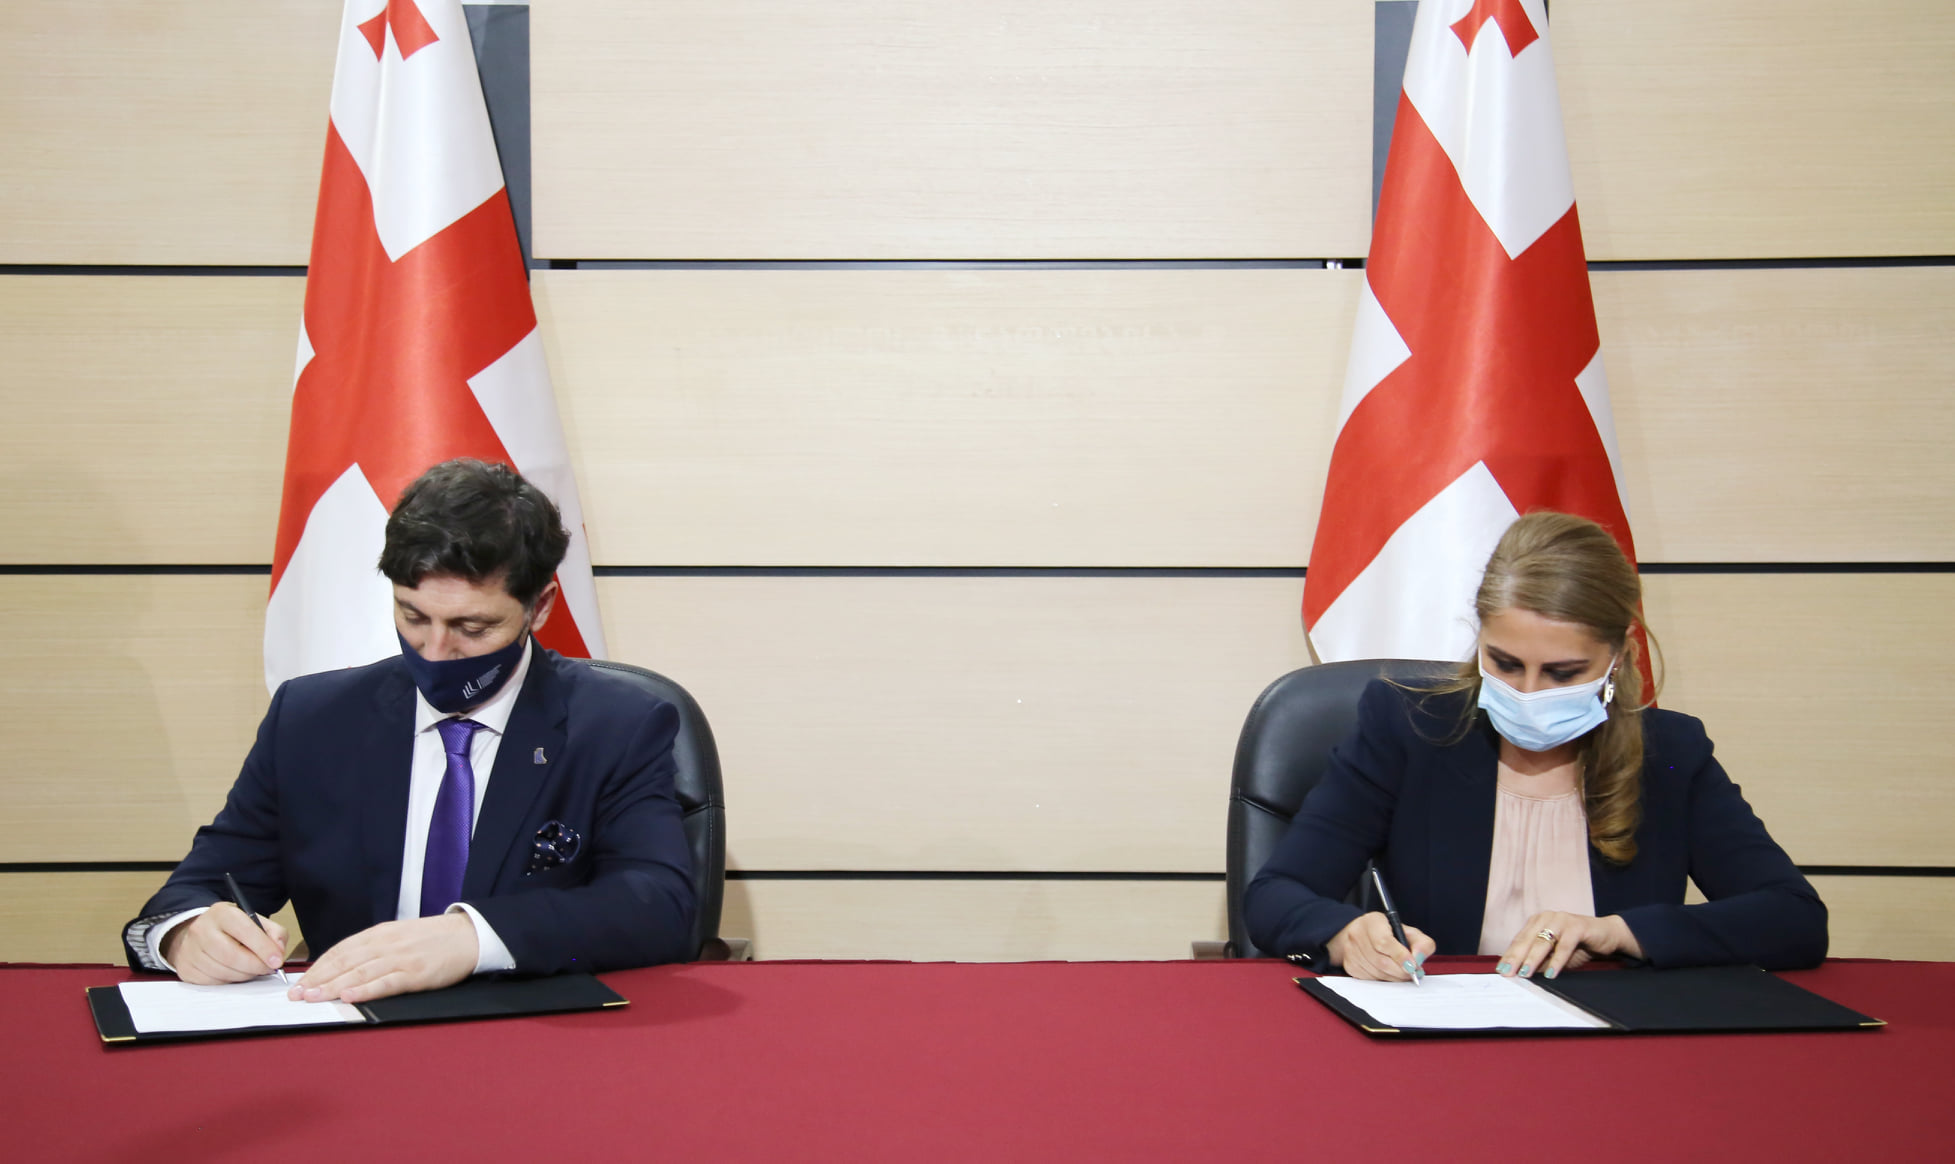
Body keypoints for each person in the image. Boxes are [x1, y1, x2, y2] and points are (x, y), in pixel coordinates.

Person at [122, 459, 696, 1003]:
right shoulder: (312, 720)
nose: (436, 651)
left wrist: (472, 938)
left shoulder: (617, 725)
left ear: (539, 606)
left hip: (531, 1035)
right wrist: (187, 933)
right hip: (351, 1032)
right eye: (413, 616)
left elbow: (658, 906)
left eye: (473, 626)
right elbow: (197, 889)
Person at [1245, 511, 1826, 981]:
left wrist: (1618, 933)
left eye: (1562, 672)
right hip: (1442, 1041)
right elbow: (1275, 895)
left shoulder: (1670, 753)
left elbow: (1794, 919)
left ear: (1618, 657)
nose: (1527, 692)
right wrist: (1344, 934)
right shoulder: (1408, 729)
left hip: (1613, 1045)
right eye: (1504, 663)